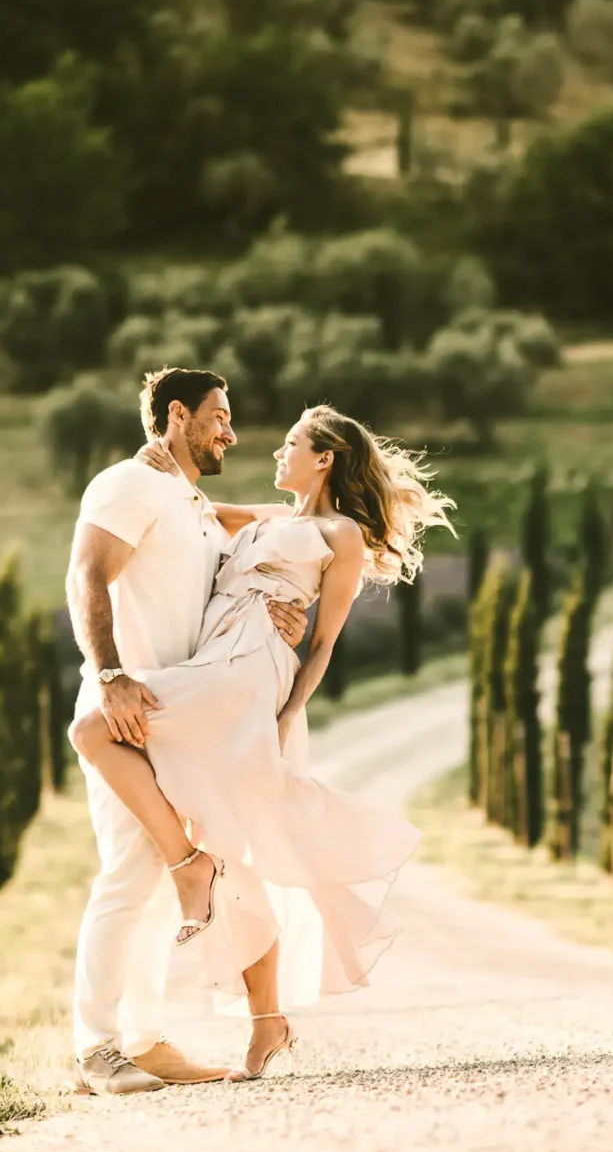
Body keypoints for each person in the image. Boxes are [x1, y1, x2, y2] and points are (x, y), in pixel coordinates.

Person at [69, 388, 450, 1086]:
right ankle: (263, 1017)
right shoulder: (269, 515)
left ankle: (189, 869)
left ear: (325, 458)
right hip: (211, 662)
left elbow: (325, 642)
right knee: (239, 841)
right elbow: (189, 512)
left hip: (247, 674)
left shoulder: (342, 537)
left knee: (93, 726)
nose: (271, 449)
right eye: (224, 420)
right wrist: (152, 454)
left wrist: (283, 714)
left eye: (290, 445)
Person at [64, 367, 310, 1095]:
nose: (230, 432)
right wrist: (108, 675)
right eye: (219, 416)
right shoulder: (129, 484)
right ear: (177, 415)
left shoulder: (191, 501)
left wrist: (281, 612)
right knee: (127, 876)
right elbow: (86, 574)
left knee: (149, 880)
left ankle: (143, 1039)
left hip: (179, 715)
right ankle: (96, 1049)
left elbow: (264, 532)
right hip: (127, 709)